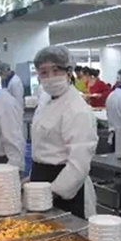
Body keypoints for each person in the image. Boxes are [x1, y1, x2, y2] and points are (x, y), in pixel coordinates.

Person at [30, 45, 98, 219]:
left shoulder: (77, 109)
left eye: (56, 70)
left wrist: (53, 192)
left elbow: (79, 163)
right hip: (42, 179)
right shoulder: (46, 100)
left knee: (64, 231)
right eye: (44, 72)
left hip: (65, 186)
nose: (50, 77)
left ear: (68, 72)